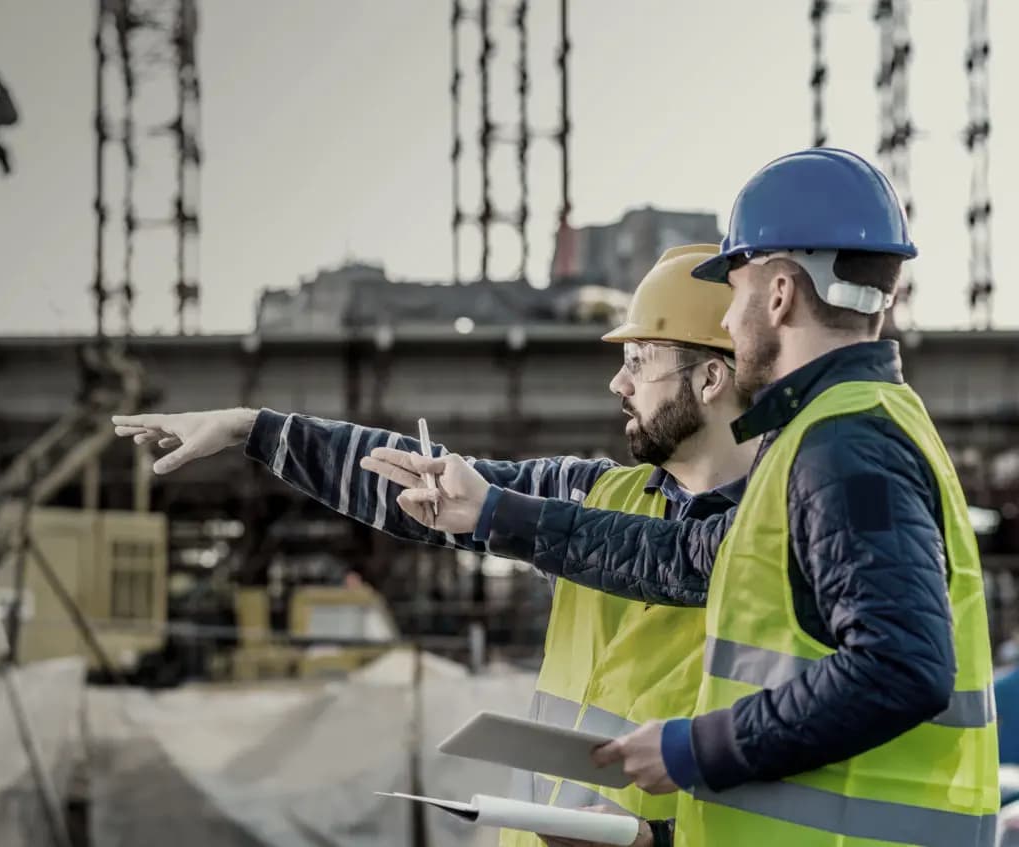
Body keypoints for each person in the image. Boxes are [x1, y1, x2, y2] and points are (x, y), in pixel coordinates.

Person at [375, 148, 999, 847]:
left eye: (733, 294)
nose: (729, 323)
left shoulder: (846, 445)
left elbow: (901, 666)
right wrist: (494, 512)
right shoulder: (828, 435)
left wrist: (690, 748)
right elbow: (681, 553)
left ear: (781, 293)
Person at [113, 244, 757, 847]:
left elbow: (785, 763)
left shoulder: (783, 531)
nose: (618, 384)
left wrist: (656, 839)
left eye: (638, 363)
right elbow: (425, 486)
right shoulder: (593, 495)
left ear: (708, 378)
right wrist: (254, 429)